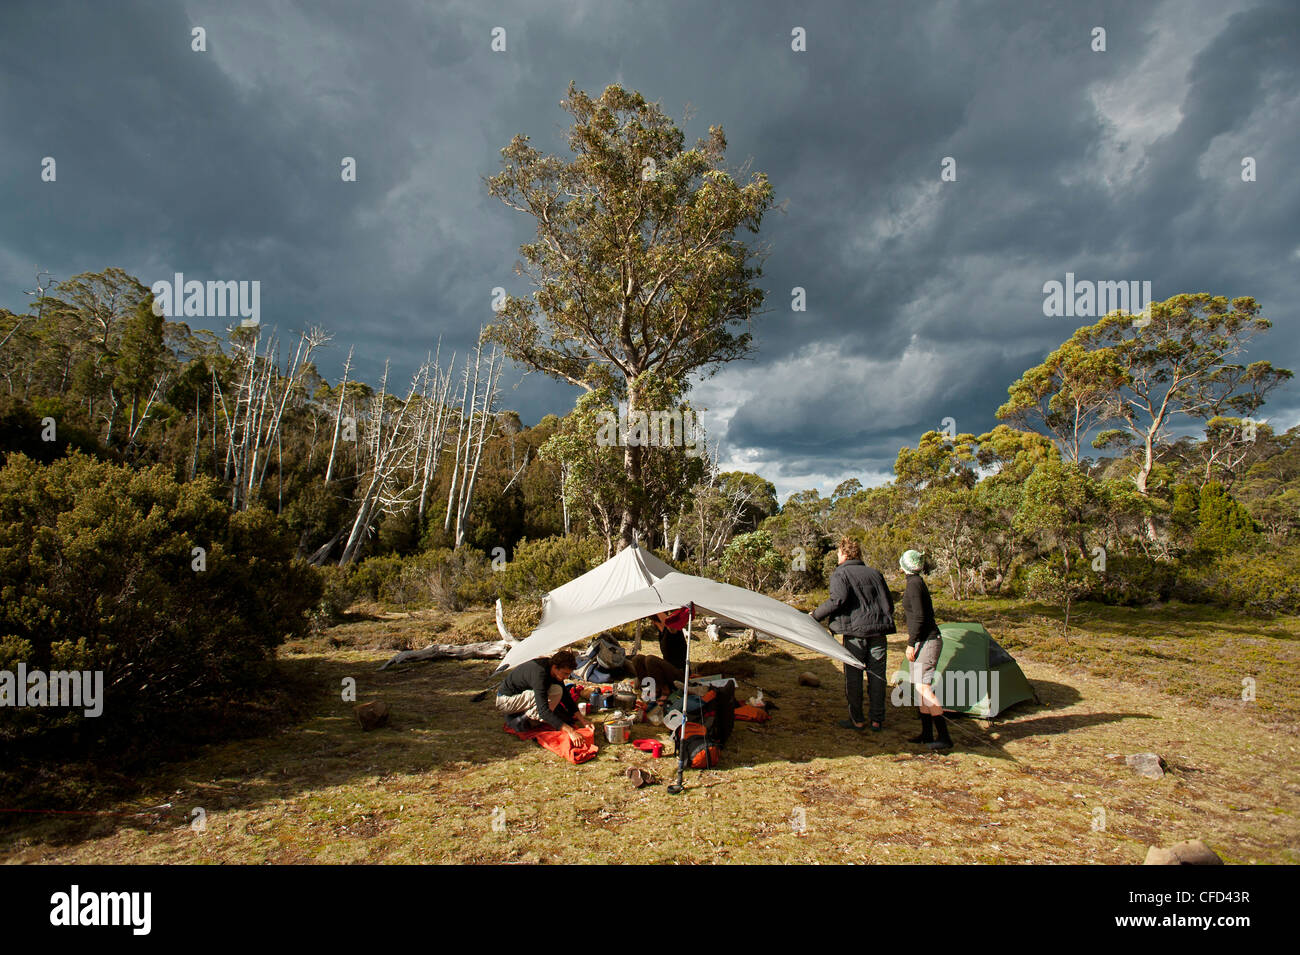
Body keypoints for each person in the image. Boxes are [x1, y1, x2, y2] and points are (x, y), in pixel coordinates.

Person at [812, 537, 895, 732]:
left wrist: (815, 616)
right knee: (877, 676)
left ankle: (857, 719)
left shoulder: (841, 574)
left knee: (854, 676)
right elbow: (888, 603)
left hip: (854, 633)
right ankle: (877, 720)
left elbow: (837, 600)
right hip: (878, 632)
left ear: (844, 553)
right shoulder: (875, 574)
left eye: (839, 553)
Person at [900, 549, 952, 751]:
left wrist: (911, 643)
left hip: (927, 641)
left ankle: (945, 736)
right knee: (919, 687)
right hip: (925, 640)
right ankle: (927, 733)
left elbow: (920, 617)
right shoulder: (915, 582)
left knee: (924, 687)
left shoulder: (914, 584)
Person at [495, 649, 590, 747]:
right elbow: (543, 711)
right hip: (505, 701)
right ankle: (523, 721)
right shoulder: (540, 674)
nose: (566, 677)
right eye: (565, 673)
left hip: (519, 697)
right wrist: (570, 731)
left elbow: (566, 698)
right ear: (555, 667)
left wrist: (583, 721)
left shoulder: (554, 670)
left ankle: (525, 716)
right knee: (549, 694)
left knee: (557, 690)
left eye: (568, 674)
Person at [649, 607, 690, 672]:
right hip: (668, 670)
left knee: (650, 659)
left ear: (653, 622)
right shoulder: (661, 633)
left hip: (680, 671)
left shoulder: (673, 630)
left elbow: (669, 623)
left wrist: (655, 609)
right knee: (638, 659)